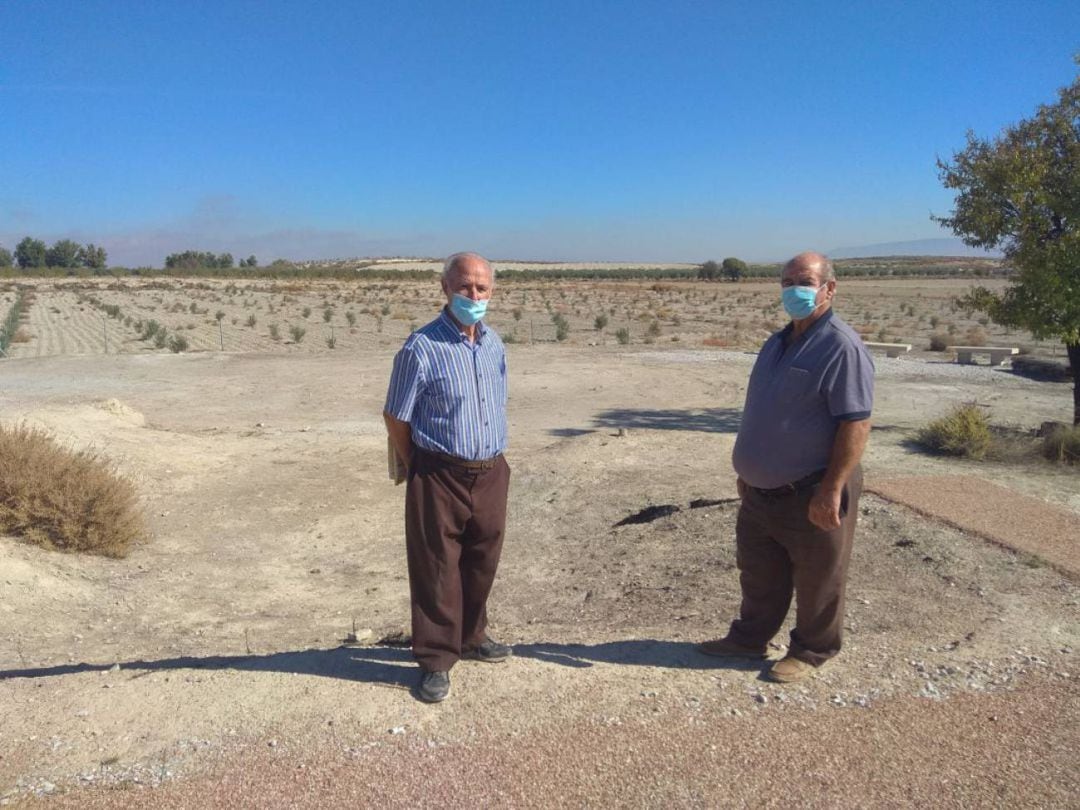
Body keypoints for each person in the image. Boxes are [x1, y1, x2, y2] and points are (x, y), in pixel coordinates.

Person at [698, 251, 874, 683]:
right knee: (759, 571)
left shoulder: (841, 346)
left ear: (829, 288)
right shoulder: (777, 342)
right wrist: (749, 471)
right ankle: (748, 639)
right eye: (787, 280)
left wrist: (832, 489)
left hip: (812, 487)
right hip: (761, 491)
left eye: (805, 280)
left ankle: (813, 649)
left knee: (819, 577)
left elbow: (856, 421)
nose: (794, 289)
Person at [383, 252, 512, 703]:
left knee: (483, 560)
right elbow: (395, 416)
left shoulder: (495, 344)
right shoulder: (420, 348)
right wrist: (417, 462)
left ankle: (473, 636)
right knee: (437, 568)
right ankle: (437, 659)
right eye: (465, 287)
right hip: (439, 473)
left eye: (482, 288)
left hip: (491, 471)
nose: (474, 296)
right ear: (445, 288)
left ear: (492, 291)